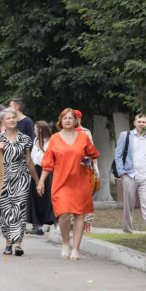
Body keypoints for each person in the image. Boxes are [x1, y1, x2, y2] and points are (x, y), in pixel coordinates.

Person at [37, 108, 100, 260]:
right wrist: (41, 182)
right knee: (63, 213)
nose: (67, 120)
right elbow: (47, 164)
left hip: (80, 181)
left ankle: (76, 249)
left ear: (75, 121)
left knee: (79, 215)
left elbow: (93, 155)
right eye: (64, 118)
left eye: (70, 118)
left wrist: (85, 161)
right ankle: (66, 243)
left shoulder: (83, 138)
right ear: (61, 121)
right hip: (61, 182)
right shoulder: (55, 138)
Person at [0, 108, 38, 255]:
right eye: (8, 118)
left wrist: (37, 181)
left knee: (19, 209)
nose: (11, 120)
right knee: (5, 211)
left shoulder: (25, 139)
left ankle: (18, 244)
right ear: (2, 121)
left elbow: (29, 162)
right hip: (3, 179)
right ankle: (8, 243)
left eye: (13, 118)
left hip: (21, 177)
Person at [115, 113, 146, 234]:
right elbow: (118, 155)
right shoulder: (125, 136)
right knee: (128, 206)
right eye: (139, 121)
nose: (141, 124)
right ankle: (127, 231)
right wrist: (122, 174)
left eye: (144, 122)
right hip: (129, 176)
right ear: (134, 123)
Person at [27, 120, 55, 235]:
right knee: (36, 198)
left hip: (47, 171)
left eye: (36, 128)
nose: (34, 130)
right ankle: (38, 226)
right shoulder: (35, 140)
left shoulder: (51, 141)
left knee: (49, 198)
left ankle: (55, 224)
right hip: (36, 171)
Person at [73, 110, 98, 232]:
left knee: (86, 197)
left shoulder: (85, 132)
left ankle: (87, 222)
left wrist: (94, 168)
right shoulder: (65, 133)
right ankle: (74, 222)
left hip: (85, 168)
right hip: (70, 170)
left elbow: (91, 151)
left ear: (79, 119)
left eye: (75, 118)